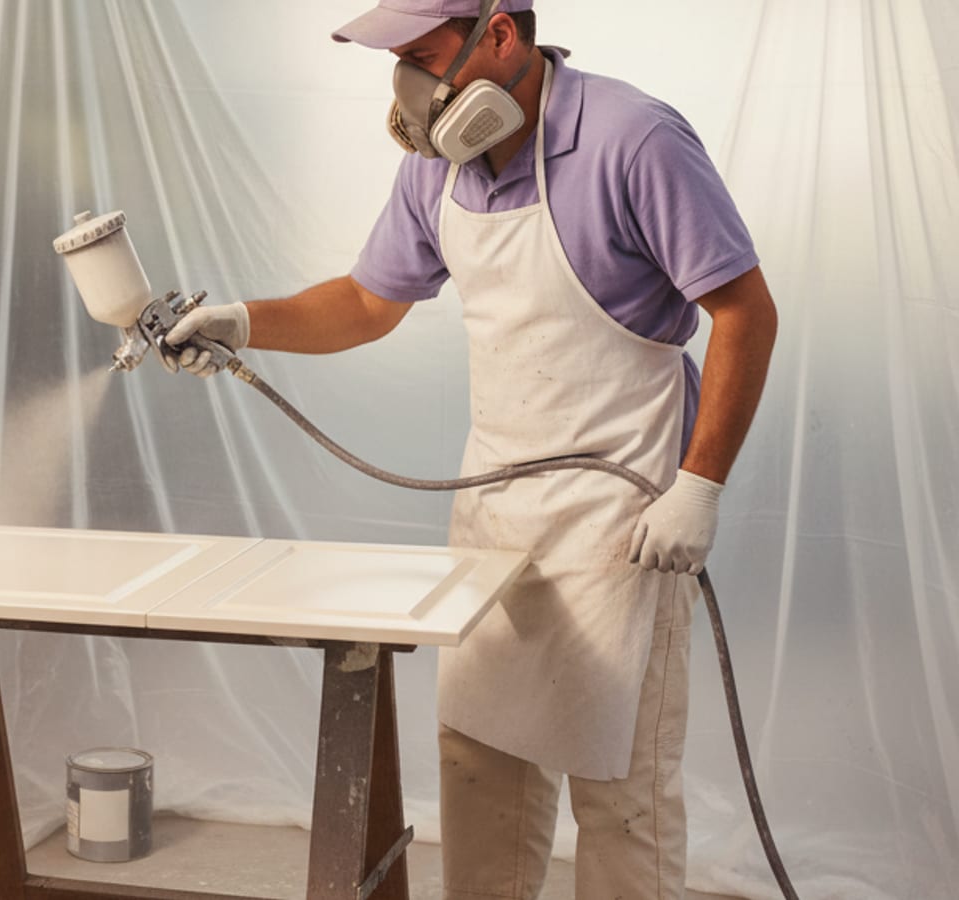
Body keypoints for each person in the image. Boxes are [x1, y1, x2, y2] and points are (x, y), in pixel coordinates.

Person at [164, 1, 778, 897]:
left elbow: (744, 312)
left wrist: (700, 484)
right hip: (498, 516)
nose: (408, 85)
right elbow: (370, 304)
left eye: (422, 55)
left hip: (625, 522)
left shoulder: (631, 139)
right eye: (399, 62)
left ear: (500, 33)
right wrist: (245, 321)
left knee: (621, 796)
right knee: (482, 769)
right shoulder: (438, 172)